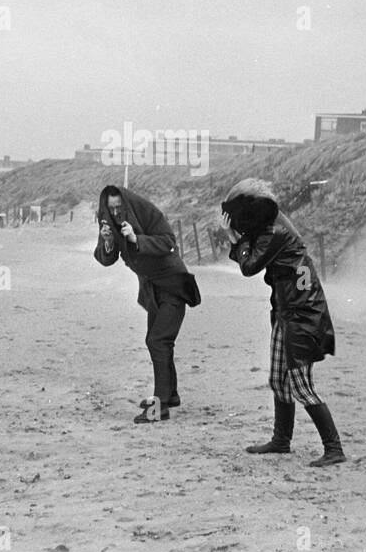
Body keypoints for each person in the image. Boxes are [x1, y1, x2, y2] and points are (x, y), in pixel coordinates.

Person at [221, 178, 346, 467]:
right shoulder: (271, 228)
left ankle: (334, 448)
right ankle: (281, 440)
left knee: (301, 385)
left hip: (303, 316)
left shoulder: (274, 234)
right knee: (279, 379)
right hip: (288, 312)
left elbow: (249, 266)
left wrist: (231, 236)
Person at [94, 185, 200, 423]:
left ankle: (159, 407)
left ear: (127, 204)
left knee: (157, 341)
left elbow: (169, 242)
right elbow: (105, 259)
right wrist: (109, 242)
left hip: (173, 286)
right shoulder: (108, 222)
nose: (116, 212)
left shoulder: (146, 212)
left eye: (119, 207)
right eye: (111, 209)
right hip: (152, 290)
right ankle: (170, 395)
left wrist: (135, 238)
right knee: (160, 340)